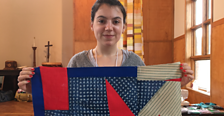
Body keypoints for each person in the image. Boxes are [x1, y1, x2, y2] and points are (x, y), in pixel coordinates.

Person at [18, 0, 194, 94]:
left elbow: (147, 98)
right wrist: (34, 89)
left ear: (123, 27)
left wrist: (176, 84)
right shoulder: (78, 62)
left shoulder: (135, 61)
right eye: (102, 21)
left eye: (116, 22)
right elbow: (64, 98)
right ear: (92, 25)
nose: (109, 27)